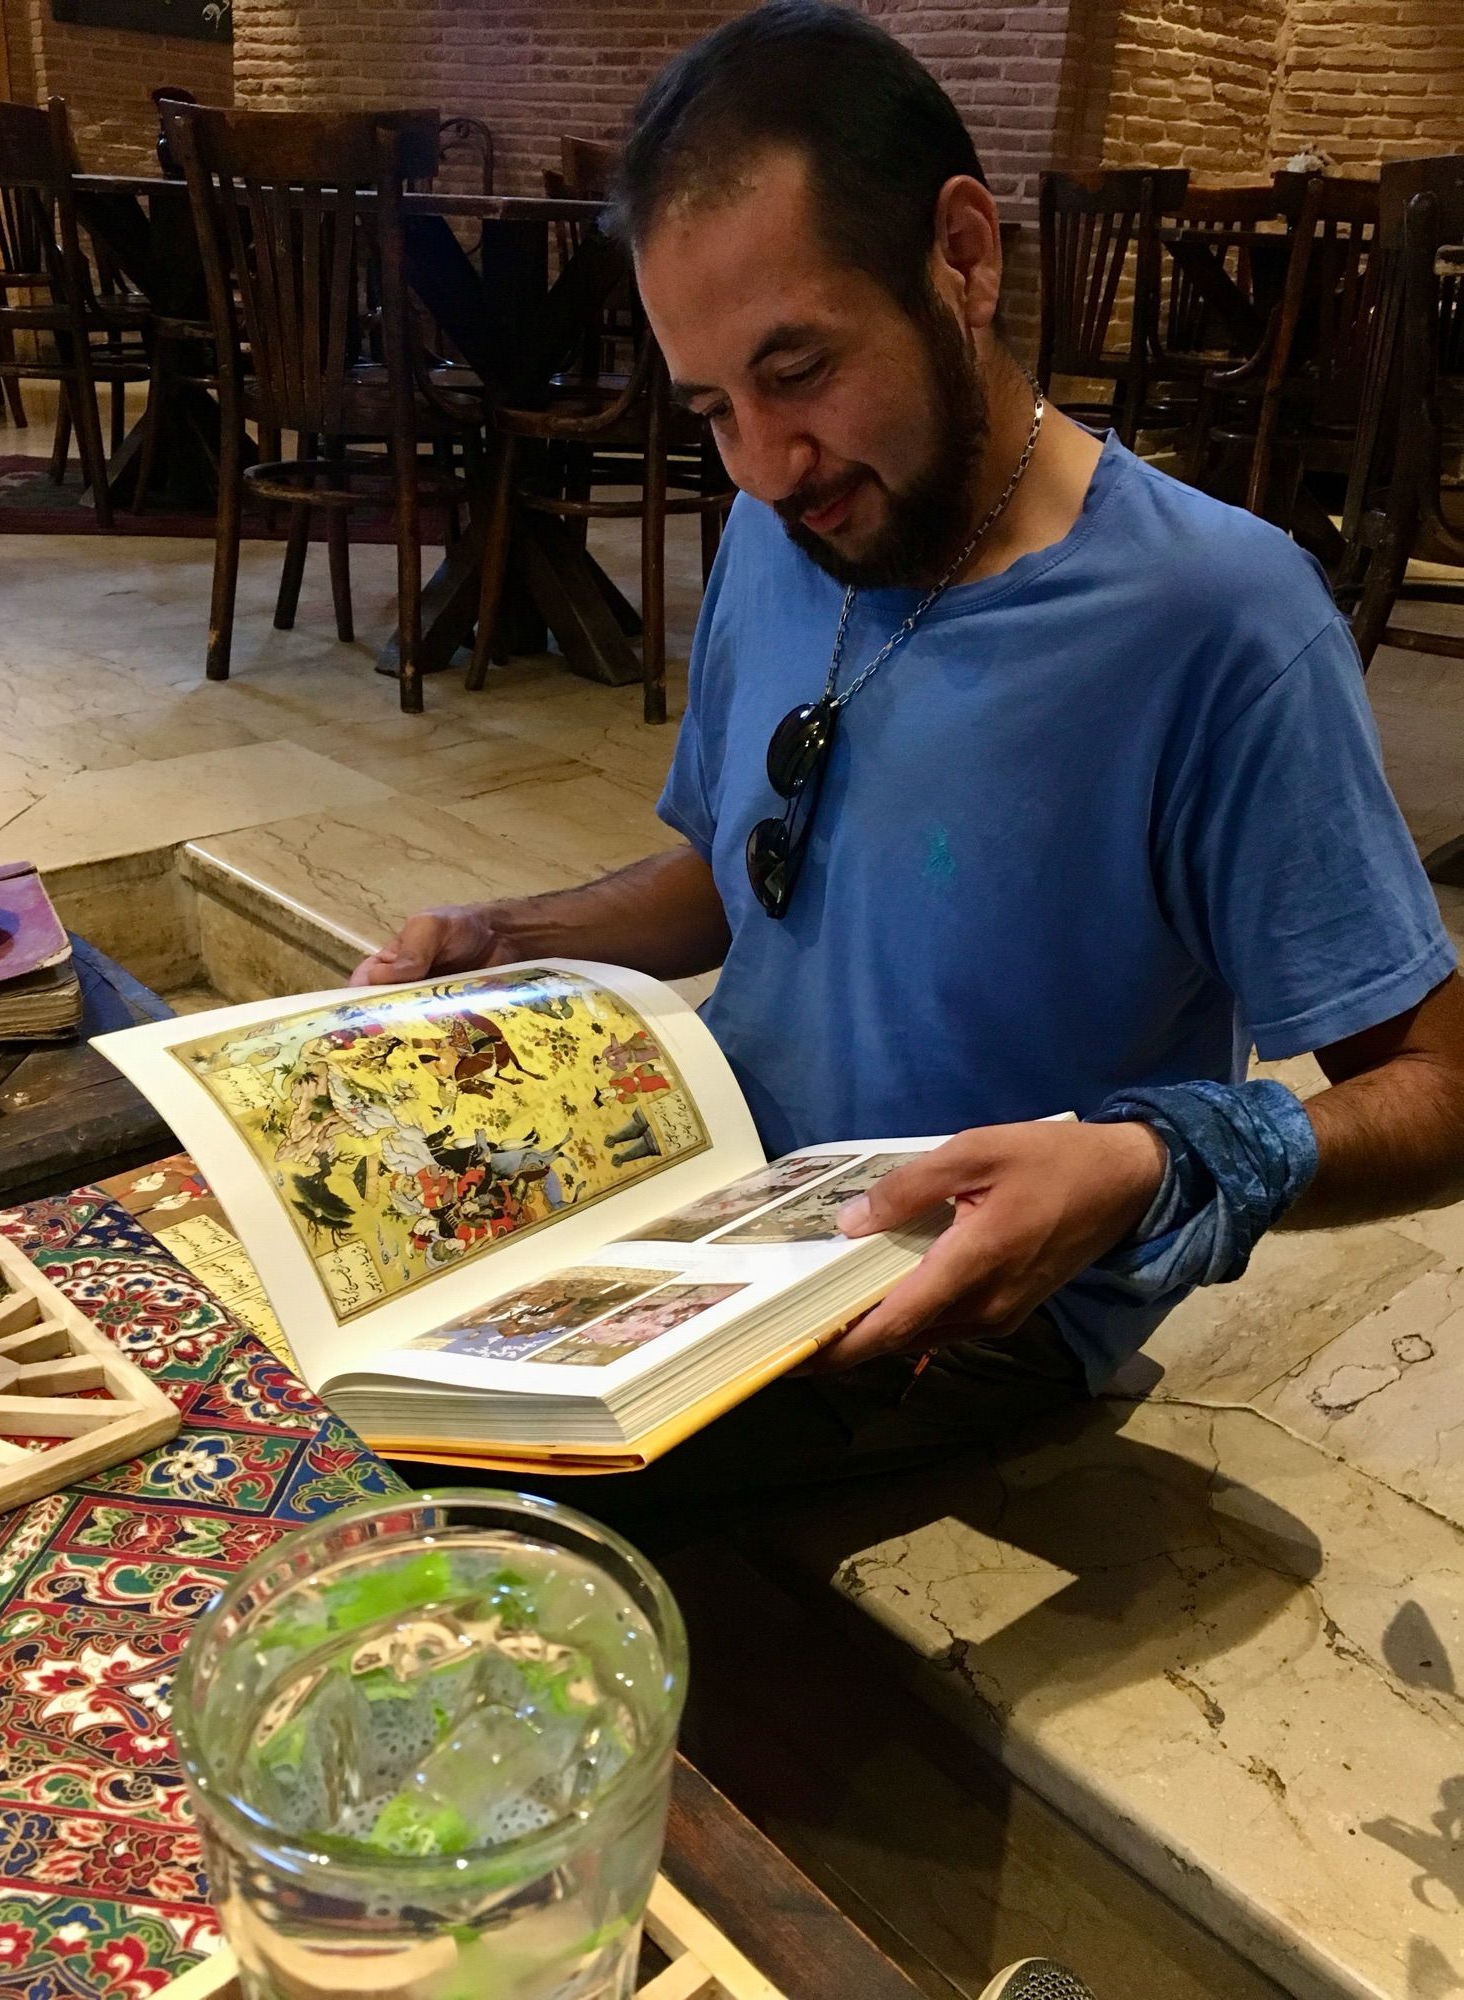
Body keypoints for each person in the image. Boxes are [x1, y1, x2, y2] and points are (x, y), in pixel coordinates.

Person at [353, 2, 1464, 1516]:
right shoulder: (779, 523)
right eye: (713, 410)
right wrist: (509, 941)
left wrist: (1152, 1162)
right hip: (726, 1209)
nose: (762, 463)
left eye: (796, 371)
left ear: (962, 255)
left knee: (436, 1500)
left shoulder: (1217, 622)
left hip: (969, 1303)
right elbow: (747, 875)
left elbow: (1438, 1085)